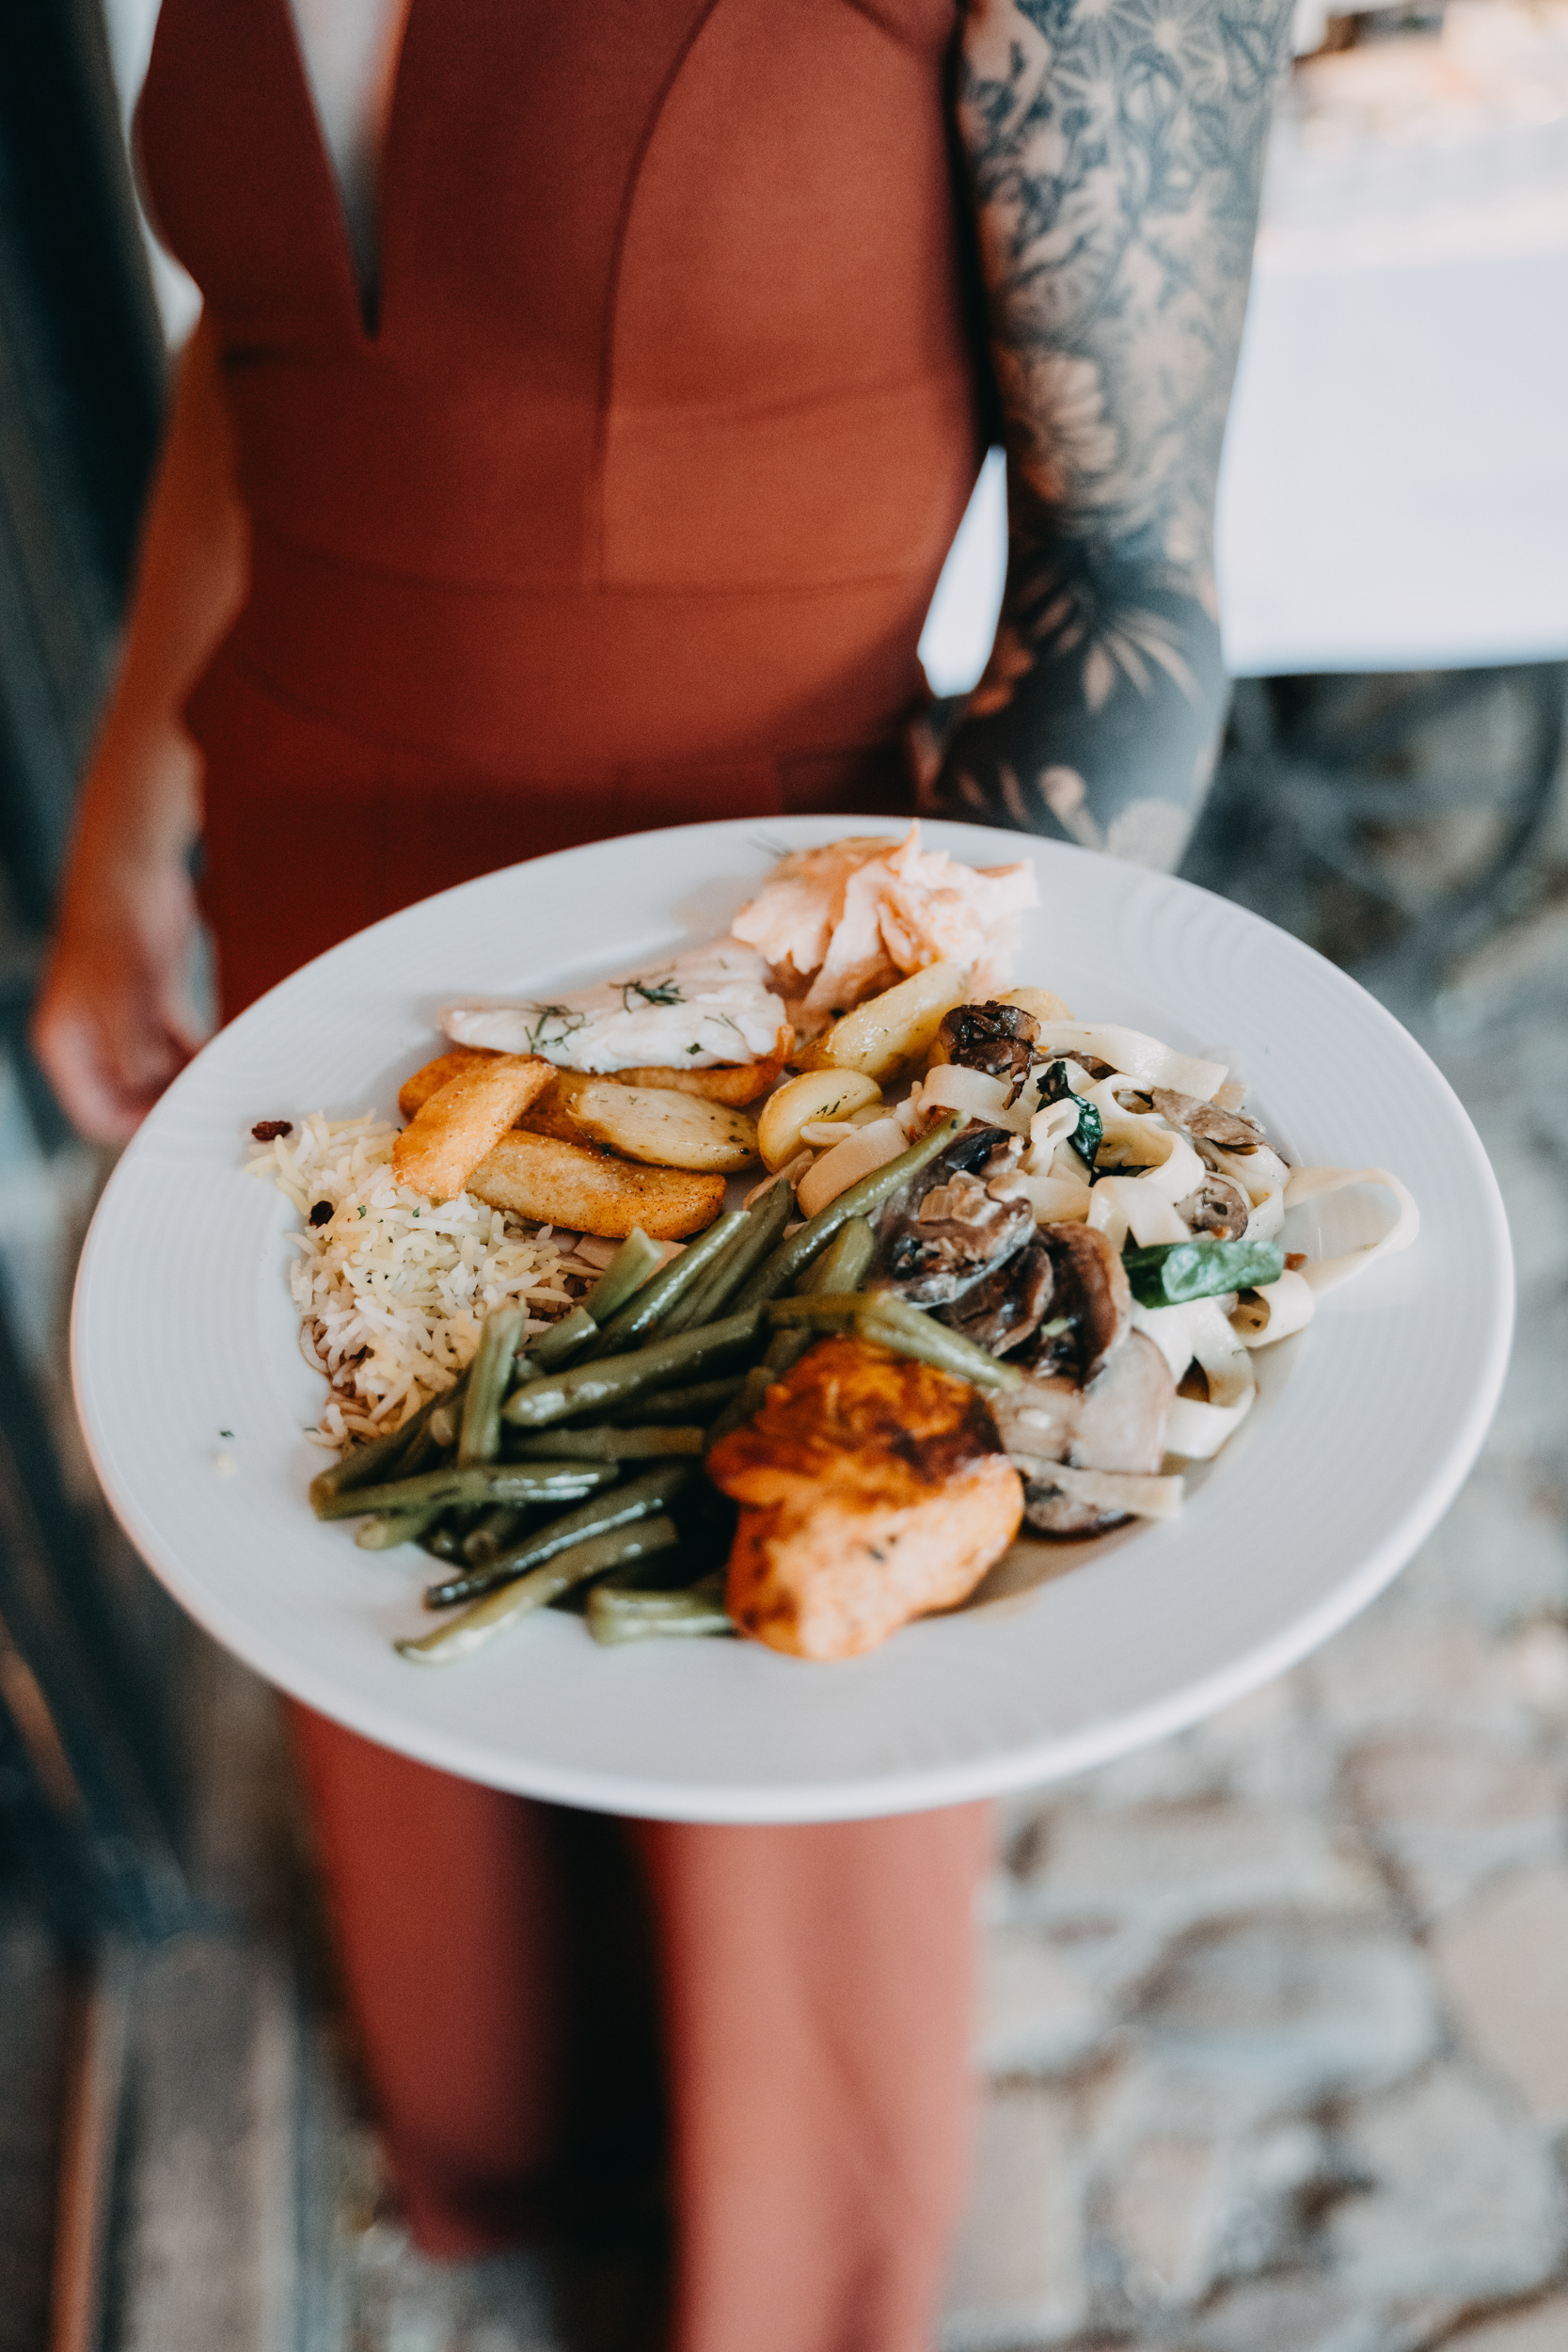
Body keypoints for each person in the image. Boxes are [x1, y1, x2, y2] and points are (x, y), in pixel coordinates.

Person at [34, 3, 1291, 2345]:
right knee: (390, 1546)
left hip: (775, 973)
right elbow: (260, 346)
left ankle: (790, 2278)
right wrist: (128, 828)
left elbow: (1125, 582)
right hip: (314, 911)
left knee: (787, 1652)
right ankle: (502, 2129)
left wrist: (940, 1104)